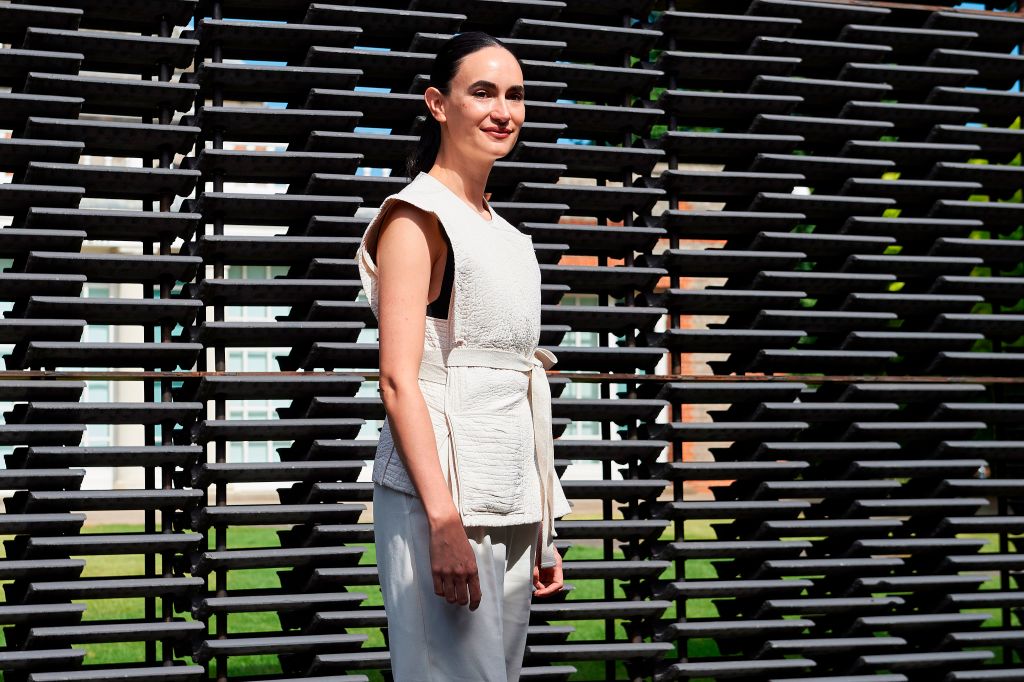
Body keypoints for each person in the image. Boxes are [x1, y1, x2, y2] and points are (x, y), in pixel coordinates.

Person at [354, 31, 573, 682]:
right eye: (482, 92)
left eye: (515, 95)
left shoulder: (507, 235)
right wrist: (443, 520)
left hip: (508, 505)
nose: (503, 110)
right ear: (438, 104)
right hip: (439, 504)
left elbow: (511, 387)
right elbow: (398, 381)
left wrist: (540, 526)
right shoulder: (416, 218)